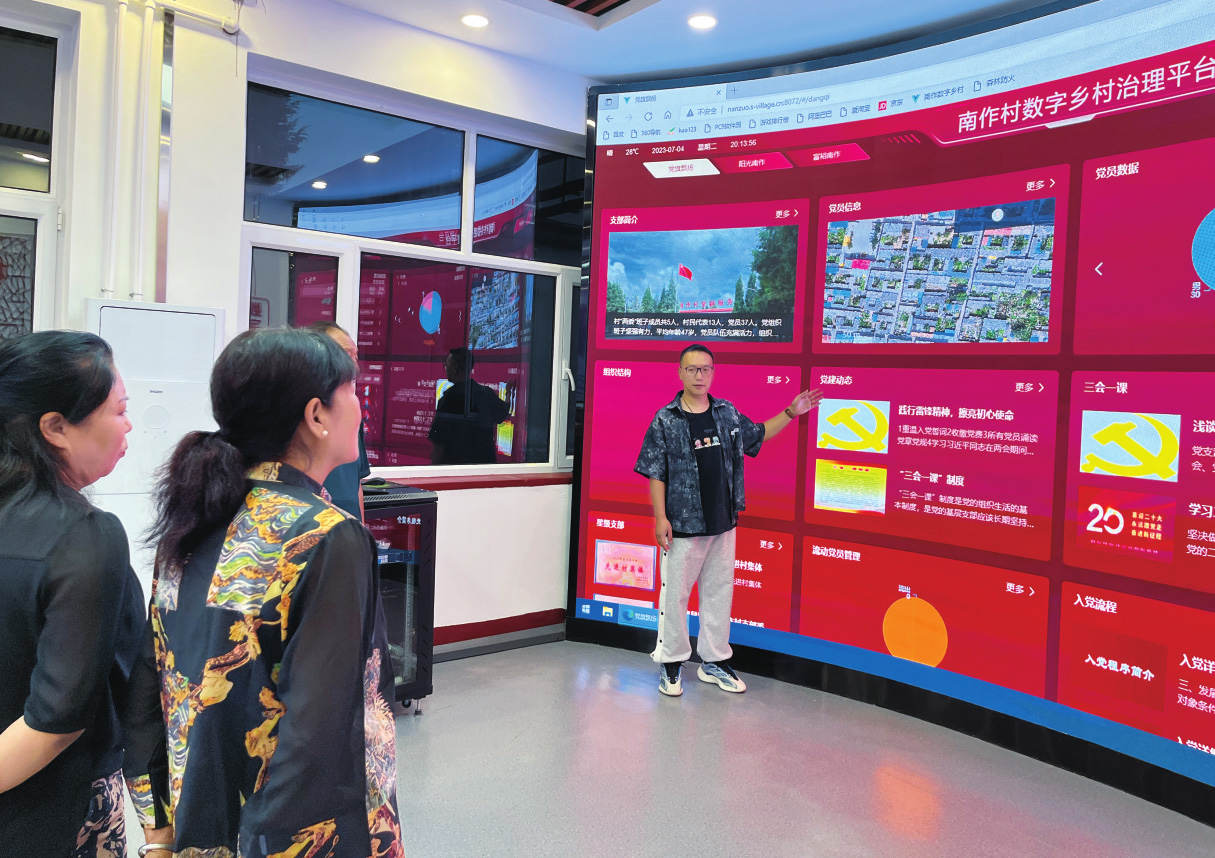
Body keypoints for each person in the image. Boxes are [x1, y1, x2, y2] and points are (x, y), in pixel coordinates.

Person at [126, 328, 404, 857]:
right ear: (316, 415)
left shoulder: (193, 520)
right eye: (352, 391)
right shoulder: (325, 535)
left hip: (197, 824)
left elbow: (148, 684)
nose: (361, 408)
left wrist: (157, 830)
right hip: (294, 838)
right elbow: (320, 733)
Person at [0, 331, 170, 853]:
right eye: (119, 410)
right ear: (55, 427)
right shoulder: (83, 535)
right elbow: (56, 720)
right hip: (48, 810)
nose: (129, 424)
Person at [634, 343, 821, 697]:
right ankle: (671, 662)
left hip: (723, 523)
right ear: (680, 373)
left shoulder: (726, 413)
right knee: (675, 598)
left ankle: (714, 661)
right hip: (683, 526)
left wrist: (791, 412)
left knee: (719, 594)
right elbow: (655, 471)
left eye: (705, 369)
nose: (699, 376)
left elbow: (758, 434)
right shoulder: (666, 419)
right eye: (692, 369)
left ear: (713, 373)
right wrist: (660, 518)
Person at [308, 321, 372, 520]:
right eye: (345, 354)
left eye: (356, 356)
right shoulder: (296, 415)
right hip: (314, 526)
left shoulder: (351, 412)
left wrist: (361, 530)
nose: (354, 366)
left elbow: (356, 485)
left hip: (348, 529)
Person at [428, 347, 510, 465]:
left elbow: (439, 446)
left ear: (455, 368)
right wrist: (508, 393)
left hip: (455, 467)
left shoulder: (447, 401)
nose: (445, 369)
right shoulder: (486, 394)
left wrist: (434, 470)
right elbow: (503, 413)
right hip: (484, 467)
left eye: (446, 365)